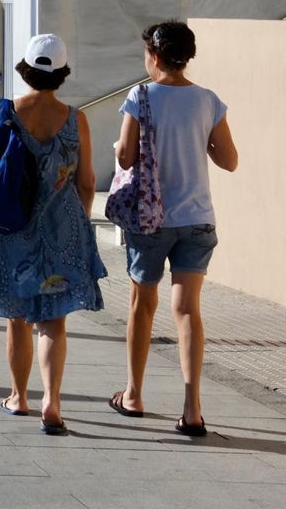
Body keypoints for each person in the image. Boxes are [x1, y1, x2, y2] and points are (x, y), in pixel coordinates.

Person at [0, 33, 104, 436]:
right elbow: (87, 182)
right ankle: (52, 403)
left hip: (11, 232)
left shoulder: (5, 113)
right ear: (62, 72)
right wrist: (79, 227)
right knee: (54, 321)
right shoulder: (77, 120)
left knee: (17, 318)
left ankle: (18, 396)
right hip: (62, 229)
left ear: (25, 67)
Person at [107, 21, 238, 437]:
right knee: (188, 312)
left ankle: (134, 395)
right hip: (198, 219)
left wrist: (119, 148)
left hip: (151, 219)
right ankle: (193, 409)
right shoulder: (208, 100)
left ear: (156, 57)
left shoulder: (140, 96)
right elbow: (229, 160)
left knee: (142, 306)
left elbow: (126, 159)